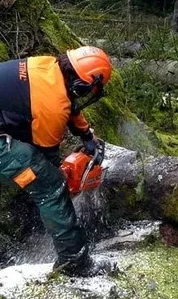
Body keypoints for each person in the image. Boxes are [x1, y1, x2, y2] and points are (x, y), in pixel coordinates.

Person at [0, 46, 113, 277]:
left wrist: (87, 135)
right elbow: (46, 156)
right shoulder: (52, 108)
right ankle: (74, 261)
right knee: (51, 186)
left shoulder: (47, 66)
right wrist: (64, 180)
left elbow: (67, 103)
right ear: (84, 85)